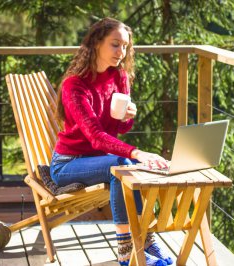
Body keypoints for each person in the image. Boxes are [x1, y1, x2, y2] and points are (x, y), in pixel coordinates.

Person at [50, 17, 173, 266]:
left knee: (122, 166)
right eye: (115, 44)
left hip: (99, 160)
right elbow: (96, 137)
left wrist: (128, 117)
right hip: (67, 164)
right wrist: (138, 153)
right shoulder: (75, 85)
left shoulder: (119, 77)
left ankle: (144, 240)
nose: (122, 52)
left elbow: (117, 129)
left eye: (125, 46)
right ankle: (128, 249)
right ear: (97, 43)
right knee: (122, 165)